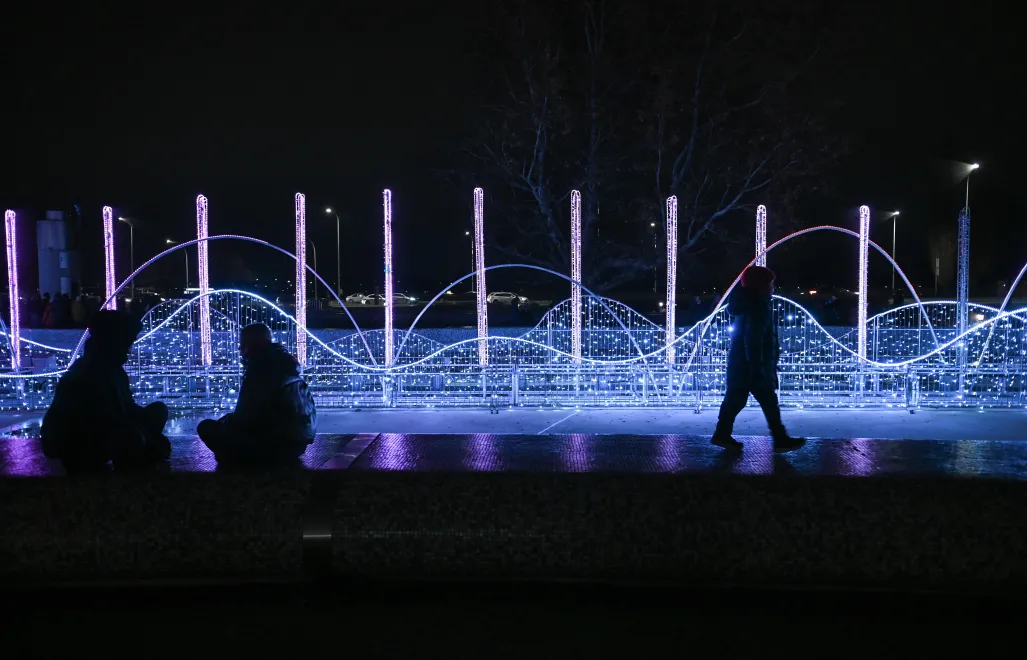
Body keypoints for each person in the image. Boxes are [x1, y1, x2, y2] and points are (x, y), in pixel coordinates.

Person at [40, 310, 171, 472]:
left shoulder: (112, 370)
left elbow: (127, 409)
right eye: (127, 342)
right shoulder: (88, 373)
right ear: (113, 341)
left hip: (103, 430)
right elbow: (105, 419)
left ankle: (139, 449)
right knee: (131, 438)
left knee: (158, 411)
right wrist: (148, 435)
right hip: (76, 442)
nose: (129, 349)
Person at [711, 266, 805, 453]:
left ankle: (722, 435)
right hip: (752, 366)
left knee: (736, 401)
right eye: (770, 283)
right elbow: (753, 338)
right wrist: (758, 367)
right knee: (767, 402)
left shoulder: (744, 304)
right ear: (760, 285)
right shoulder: (758, 306)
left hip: (740, 364)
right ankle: (780, 439)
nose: (773, 287)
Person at [197, 323, 316, 465]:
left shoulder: (260, 370)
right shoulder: (287, 366)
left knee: (205, 427)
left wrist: (226, 421)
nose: (240, 349)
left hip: (272, 448)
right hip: (297, 446)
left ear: (249, 345)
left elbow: (246, 418)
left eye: (242, 343)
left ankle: (238, 461)